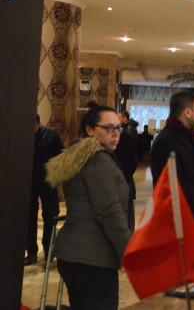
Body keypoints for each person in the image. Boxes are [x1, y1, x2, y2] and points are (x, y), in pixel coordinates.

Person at [45, 106, 132, 310]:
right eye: (109, 128)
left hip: (75, 255)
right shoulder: (99, 160)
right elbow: (109, 211)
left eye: (118, 128)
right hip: (93, 258)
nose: (116, 134)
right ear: (90, 130)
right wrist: (128, 252)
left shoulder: (80, 156)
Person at [150, 90, 194, 238]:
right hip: (177, 223)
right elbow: (173, 186)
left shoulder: (189, 137)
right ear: (187, 112)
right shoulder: (165, 141)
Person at [25, 115, 64, 265]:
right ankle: (31, 253)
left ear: (38, 124)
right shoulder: (23, 135)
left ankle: (49, 250)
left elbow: (61, 157)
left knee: (50, 215)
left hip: (48, 182)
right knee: (29, 216)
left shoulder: (51, 136)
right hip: (30, 182)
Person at [114, 110, 138, 229]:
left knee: (125, 210)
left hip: (124, 176)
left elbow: (130, 159)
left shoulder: (126, 133)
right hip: (125, 175)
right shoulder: (127, 131)